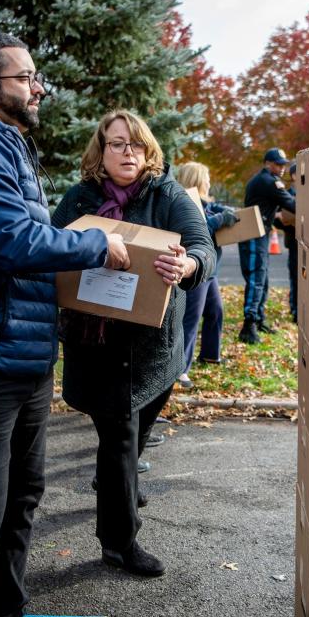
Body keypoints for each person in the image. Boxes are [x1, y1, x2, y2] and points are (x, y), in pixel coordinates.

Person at [0, 32, 130, 617]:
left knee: (21, 500)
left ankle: (6, 611)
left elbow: (25, 246)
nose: (38, 89)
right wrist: (96, 245)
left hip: (24, 358)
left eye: (38, 78)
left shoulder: (6, 144)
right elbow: (13, 241)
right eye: (25, 79)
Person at [51, 110, 215, 577]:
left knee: (135, 428)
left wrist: (185, 267)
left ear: (148, 150)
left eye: (135, 144)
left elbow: (203, 245)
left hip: (152, 345)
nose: (127, 153)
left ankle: (115, 479)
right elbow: (49, 242)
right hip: (97, 343)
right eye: (116, 144)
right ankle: (119, 542)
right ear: (100, 152)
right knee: (119, 435)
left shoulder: (167, 194)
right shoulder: (82, 197)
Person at [175, 162, 237, 389]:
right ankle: (179, 370)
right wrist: (220, 220)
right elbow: (199, 230)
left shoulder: (204, 203)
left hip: (212, 271)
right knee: (190, 320)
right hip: (197, 271)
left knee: (215, 312)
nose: (209, 182)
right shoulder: (185, 202)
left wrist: (224, 213)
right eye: (207, 177)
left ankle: (210, 355)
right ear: (197, 179)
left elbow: (213, 210)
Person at [237, 148, 296, 344]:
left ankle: (258, 318)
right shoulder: (268, 182)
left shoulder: (265, 180)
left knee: (262, 279)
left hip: (258, 233)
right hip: (254, 235)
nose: (282, 168)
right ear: (267, 163)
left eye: (283, 165)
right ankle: (249, 325)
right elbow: (291, 205)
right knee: (256, 279)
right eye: (278, 164)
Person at [273, 162, 298, 323]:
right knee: (296, 277)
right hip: (294, 242)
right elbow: (277, 219)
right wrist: (284, 221)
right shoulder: (287, 194)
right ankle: (295, 309)